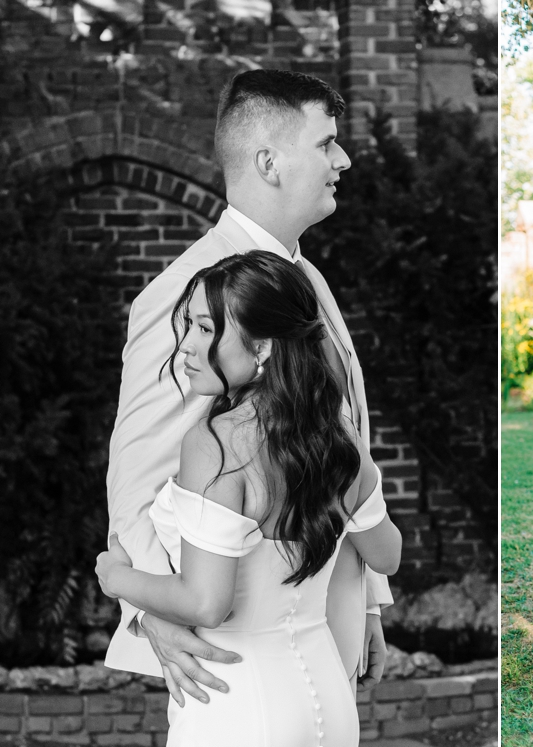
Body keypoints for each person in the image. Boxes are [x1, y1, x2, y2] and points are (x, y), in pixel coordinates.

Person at [102, 69, 394, 707]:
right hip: (233, 649)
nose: (342, 159)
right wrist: (158, 613)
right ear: (269, 162)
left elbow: (337, 448)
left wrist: (366, 598)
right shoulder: (187, 292)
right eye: (326, 144)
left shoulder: (305, 278)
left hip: (322, 623)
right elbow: (135, 475)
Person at [96, 251, 401, 746]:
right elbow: (387, 556)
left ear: (262, 348)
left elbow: (206, 603)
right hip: (329, 699)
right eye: (189, 326)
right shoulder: (339, 443)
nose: (187, 347)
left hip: (237, 706)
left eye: (205, 329)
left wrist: (117, 579)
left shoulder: (213, 444)